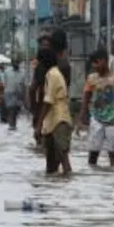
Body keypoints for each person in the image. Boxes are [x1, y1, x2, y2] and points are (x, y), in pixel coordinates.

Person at [80, 47, 114, 168]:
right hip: (96, 119)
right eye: (92, 63)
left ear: (104, 60)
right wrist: (82, 117)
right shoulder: (91, 78)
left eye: (96, 62)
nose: (94, 66)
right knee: (93, 153)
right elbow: (86, 98)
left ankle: (113, 177)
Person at [38, 47, 74, 175]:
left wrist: (38, 125)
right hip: (54, 121)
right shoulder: (54, 73)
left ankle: (65, 188)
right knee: (52, 163)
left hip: (59, 120)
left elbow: (48, 101)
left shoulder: (52, 74)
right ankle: (54, 191)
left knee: (63, 158)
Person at [2, 58, 27, 131]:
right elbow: (4, 82)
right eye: (14, 63)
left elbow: (24, 84)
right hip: (9, 92)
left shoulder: (23, 72)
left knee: (16, 109)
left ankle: (13, 124)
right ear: (12, 63)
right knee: (11, 108)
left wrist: (24, 96)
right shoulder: (7, 71)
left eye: (17, 62)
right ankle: (11, 125)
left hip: (18, 94)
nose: (16, 64)